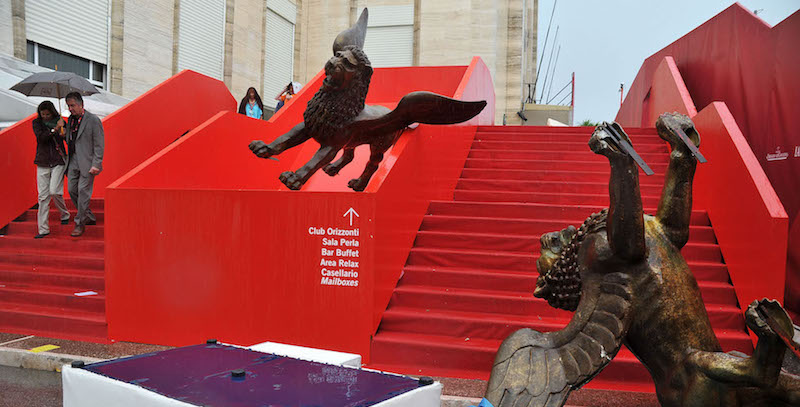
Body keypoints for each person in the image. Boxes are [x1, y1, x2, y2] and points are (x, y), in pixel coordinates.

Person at [65, 92, 104, 237]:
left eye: (73, 105)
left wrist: (97, 163)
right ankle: (88, 216)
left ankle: (79, 223)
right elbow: (71, 140)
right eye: (68, 106)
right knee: (71, 190)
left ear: (81, 105)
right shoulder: (70, 120)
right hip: (73, 160)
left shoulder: (93, 120)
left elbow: (99, 144)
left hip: (88, 162)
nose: (70, 109)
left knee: (83, 191)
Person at [31, 101, 70, 238]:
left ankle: (65, 213)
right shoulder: (37, 123)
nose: (45, 117)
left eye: (48, 114)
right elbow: (42, 138)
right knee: (42, 197)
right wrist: (54, 130)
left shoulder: (60, 121)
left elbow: (68, 140)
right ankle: (43, 229)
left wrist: (63, 132)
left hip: (58, 160)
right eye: (43, 114)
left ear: (52, 112)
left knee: (54, 191)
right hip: (42, 162)